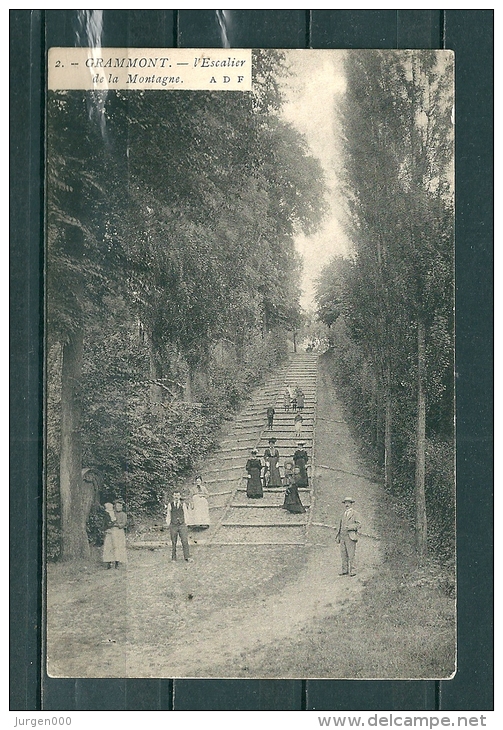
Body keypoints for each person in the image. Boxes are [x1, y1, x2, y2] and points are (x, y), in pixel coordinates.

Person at [335, 497, 361, 576]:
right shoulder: (343, 514)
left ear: (351, 504)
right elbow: (340, 525)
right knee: (343, 554)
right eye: (345, 503)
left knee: (351, 554)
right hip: (343, 536)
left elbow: (359, 524)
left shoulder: (355, 513)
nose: (347, 504)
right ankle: (344, 570)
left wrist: (350, 527)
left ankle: (353, 571)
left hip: (351, 536)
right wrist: (338, 535)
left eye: (348, 503)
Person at [166, 490, 192, 561]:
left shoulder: (183, 504)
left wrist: (186, 523)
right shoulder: (170, 504)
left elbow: (186, 513)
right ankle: (173, 558)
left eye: (177, 495)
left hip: (182, 525)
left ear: (180, 496)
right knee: (173, 542)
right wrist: (169, 523)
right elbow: (168, 515)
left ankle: (187, 557)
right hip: (173, 525)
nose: (176, 497)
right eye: (175, 495)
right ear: (173, 496)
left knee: (184, 540)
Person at [102, 500, 127, 569]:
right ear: (115, 507)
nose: (119, 507)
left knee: (118, 546)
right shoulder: (111, 513)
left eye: (120, 506)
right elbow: (107, 521)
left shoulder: (124, 514)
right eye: (117, 506)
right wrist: (108, 527)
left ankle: (117, 562)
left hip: (119, 532)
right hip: (111, 531)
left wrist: (116, 524)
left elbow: (123, 524)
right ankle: (109, 562)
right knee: (109, 546)